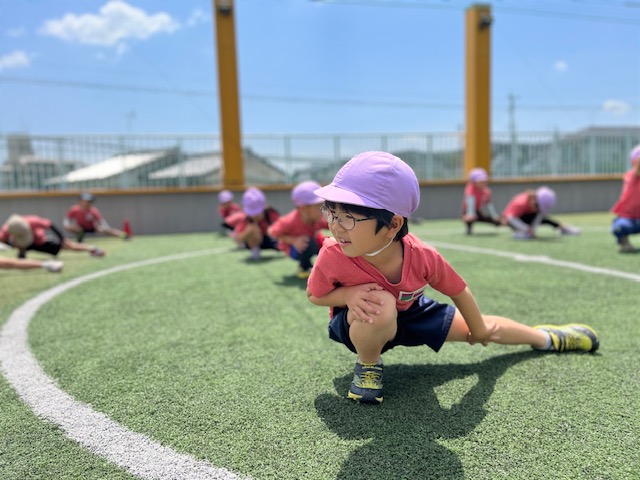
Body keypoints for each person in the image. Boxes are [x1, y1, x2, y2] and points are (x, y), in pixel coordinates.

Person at [306, 151, 599, 405]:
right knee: (379, 303)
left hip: (412, 313)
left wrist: (479, 330)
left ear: (392, 224)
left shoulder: (422, 256)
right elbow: (315, 295)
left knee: (481, 326)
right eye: (331, 212)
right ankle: (369, 366)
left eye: (348, 217)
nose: (335, 227)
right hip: (358, 322)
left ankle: (547, 337)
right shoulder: (333, 254)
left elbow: (459, 291)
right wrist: (347, 296)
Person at [267, 181, 329, 279]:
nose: (323, 210)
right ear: (304, 209)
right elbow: (271, 232)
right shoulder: (289, 221)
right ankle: (304, 267)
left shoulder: (317, 219)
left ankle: (329, 267)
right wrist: (292, 240)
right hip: (295, 249)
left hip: (311, 244)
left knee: (328, 242)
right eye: (319, 207)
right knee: (307, 241)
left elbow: (331, 225)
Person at [1, 214, 105, 259]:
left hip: (39, 242)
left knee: (67, 246)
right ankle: (22, 254)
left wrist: (62, 238)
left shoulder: (33, 221)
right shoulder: (7, 229)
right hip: (21, 244)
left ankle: (93, 249)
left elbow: (50, 225)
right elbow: (3, 241)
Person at [501, 186, 581, 239]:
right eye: (538, 207)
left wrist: (533, 230)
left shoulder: (535, 204)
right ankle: (521, 233)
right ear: (534, 200)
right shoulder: (521, 203)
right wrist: (525, 228)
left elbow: (539, 216)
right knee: (539, 220)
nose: (538, 210)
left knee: (544, 218)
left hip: (525, 217)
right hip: (513, 220)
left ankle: (562, 227)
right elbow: (509, 218)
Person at [232, 187, 280, 261]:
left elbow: (283, 225)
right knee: (252, 228)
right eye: (252, 213)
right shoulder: (245, 218)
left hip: (271, 239)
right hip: (255, 241)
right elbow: (238, 239)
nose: (255, 216)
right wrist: (247, 232)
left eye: (257, 213)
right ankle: (255, 252)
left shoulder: (270, 213)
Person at [610, 144, 640, 253]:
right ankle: (624, 242)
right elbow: (636, 172)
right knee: (619, 227)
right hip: (628, 219)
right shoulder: (630, 176)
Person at [63, 193, 128, 242]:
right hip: (80, 228)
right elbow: (67, 219)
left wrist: (105, 227)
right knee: (75, 228)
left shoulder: (93, 210)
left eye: (89, 201)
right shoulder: (75, 209)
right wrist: (67, 225)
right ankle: (80, 238)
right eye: (86, 201)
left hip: (93, 228)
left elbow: (101, 221)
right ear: (81, 201)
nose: (87, 203)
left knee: (106, 229)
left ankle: (123, 235)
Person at [461, 167, 501, 234]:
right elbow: (470, 203)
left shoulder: (487, 191)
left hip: (478, 211)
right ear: (474, 182)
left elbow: (489, 204)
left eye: (484, 181)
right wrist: (470, 214)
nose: (482, 183)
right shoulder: (470, 189)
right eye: (480, 182)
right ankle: (469, 227)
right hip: (468, 210)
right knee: (469, 217)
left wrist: (494, 215)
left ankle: (498, 223)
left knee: (497, 221)